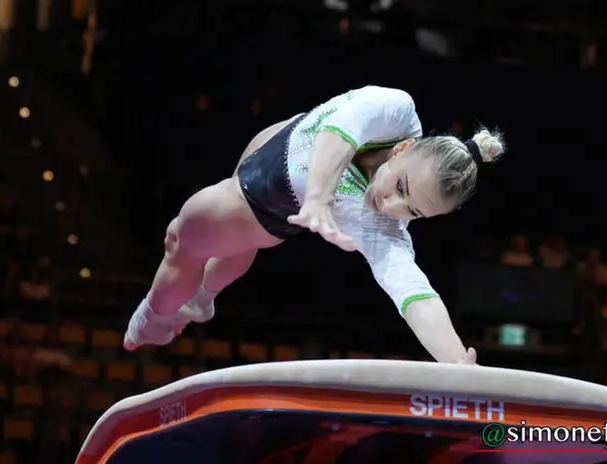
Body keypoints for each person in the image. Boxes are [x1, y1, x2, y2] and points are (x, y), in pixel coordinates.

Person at [123, 85, 504, 364]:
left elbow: (413, 291)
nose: (390, 206)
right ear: (403, 148)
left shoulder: (382, 229)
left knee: (183, 238)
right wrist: (319, 199)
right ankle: (201, 301)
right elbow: (342, 126)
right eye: (400, 186)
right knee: (232, 247)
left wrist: (456, 361)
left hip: (265, 200)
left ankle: (155, 316)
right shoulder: (397, 110)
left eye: (413, 212)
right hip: (279, 143)